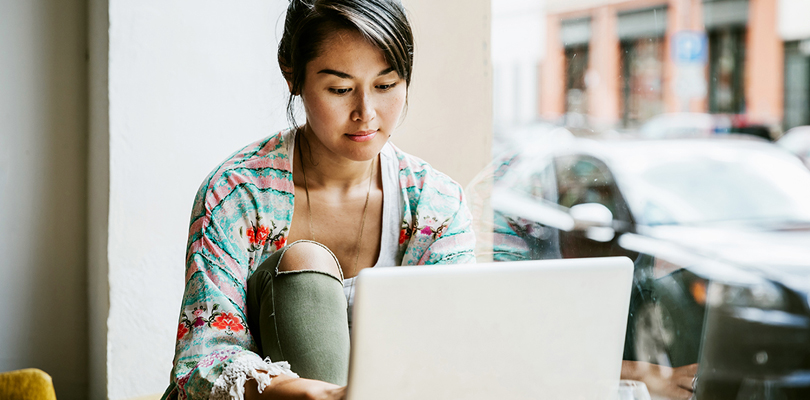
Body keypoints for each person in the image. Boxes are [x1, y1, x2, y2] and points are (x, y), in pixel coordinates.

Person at [161, 1, 475, 399]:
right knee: (304, 263)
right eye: (340, 89)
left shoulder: (437, 204)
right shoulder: (237, 193)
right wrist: (311, 394)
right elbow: (202, 363)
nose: (366, 112)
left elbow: (454, 350)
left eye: (385, 85)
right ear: (291, 73)